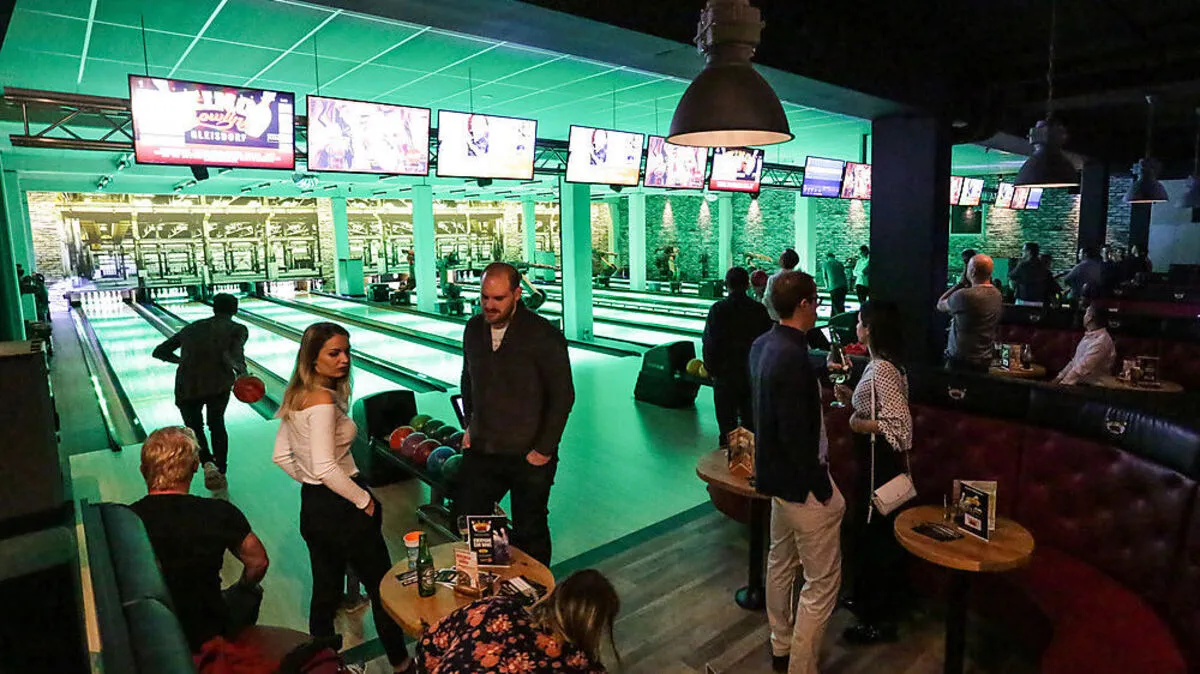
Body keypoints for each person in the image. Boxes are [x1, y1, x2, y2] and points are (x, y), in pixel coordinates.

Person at [272, 322, 415, 673]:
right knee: (382, 589)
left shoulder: (298, 396)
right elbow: (325, 466)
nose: (344, 360)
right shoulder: (321, 401)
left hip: (315, 507)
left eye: (346, 351)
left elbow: (281, 456)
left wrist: (310, 482)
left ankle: (324, 665)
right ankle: (400, 663)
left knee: (325, 592)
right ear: (312, 358)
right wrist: (362, 500)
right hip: (342, 506)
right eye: (334, 353)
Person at [749, 271, 845, 674]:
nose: (819, 306)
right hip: (803, 486)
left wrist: (820, 371)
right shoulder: (793, 358)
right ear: (804, 305)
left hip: (774, 481)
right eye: (816, 301)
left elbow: (773, 407)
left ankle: (781, 644)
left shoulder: (762, 345)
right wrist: (820, 487)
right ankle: (800, 668)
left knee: (780, 563)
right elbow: (795, 434)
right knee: (822, 585)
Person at [459, 262, 574, 566]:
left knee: (530, 528)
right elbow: (467, 380)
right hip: (484, 447)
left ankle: (535, 598)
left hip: (528, 452)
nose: (489, 305)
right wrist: (468, 425)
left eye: (498, 299)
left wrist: (544, 450)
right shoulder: (473, 329)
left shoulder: (543, 335)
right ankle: (489, 591)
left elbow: (563, 396)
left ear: (517, 294)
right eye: (484, 297)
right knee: (473, 518)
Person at [130, 426, 269, 653]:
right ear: (195, 466)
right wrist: (241, 586)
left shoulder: (127, 519)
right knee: (252, 591)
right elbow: (259, 562)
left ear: (143, 470)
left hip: (154, 628)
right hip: (209, 624)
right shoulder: (220, 512)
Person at [832, 302, 912, 645]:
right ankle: (867, 600)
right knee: (870, 537)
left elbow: (902, 429)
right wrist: (853, 398)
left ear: (871, 328)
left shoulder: (881, 370)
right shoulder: (887, 365)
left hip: (882, 469)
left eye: (861, 322)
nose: (856, 327)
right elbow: (879, 405)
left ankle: (878, 619)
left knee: (875, 539)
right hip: (876, 465)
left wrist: (857, 422)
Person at [417, 569, 619, 674]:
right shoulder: (583, 668)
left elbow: (428, 645)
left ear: (555, 596)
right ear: (597, 627)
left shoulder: (495, 608)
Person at [152, 293, 249, 491]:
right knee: (216, 424)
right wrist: (244, 375)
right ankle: (220, 470)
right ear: (235, 310)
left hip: (187, 386)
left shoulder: (190, 328)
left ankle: (207, 464)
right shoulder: (238, 329)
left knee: (195, 428)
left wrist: (182, 362)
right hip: (218, 384)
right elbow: (234, 356)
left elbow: (159, 351)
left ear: (213, 308)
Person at [702, 267, 774, 447]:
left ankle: (728, 467)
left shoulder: (718, 309)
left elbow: (709, 343)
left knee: (727, 424)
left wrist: (712, 370)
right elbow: (767, 343)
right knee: (748, 424)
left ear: (727, 285)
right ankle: (744, 467)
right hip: (751, 375)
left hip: (725, 376)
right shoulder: (758, 310)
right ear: (748, 285)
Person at [937, 253, 1002, 373]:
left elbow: (940, 304)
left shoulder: (964, 295)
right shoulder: (997, 295)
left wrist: (960, 284)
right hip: (984, 360)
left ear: (972, 271)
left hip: (960, 361)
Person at [1052, 304, 1116, 386]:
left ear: (1090, 318)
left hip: (1093, 387)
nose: (1084, 316)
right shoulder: (1089, 336)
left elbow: (1081, 369)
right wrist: (1058, 378)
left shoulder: (1101, 341)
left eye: (1086, 313)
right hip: (1078, 384)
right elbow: (1074, 362)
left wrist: (1061, 385)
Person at [763, 248, 801, 322]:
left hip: (775, 318)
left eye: (781, 257)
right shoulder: (799, 279)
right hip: (795, 318)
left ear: (782, 261)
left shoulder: (773, 279)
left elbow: (767, 299)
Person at [821, 252, 848, 316]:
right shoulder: (840, 263)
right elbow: (843, 274)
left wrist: (827, 287)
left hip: (833, 286)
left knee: (835, 305)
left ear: (826, 257)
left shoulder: (825, 264)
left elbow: (825, 276)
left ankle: (837, 320)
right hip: (843, 286)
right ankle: (840, 318)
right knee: (841, 304)